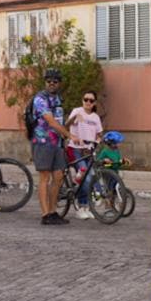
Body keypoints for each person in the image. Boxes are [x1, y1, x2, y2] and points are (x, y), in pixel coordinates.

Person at [30, 69, 72, 225]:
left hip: (57, 143)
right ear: (45, 82)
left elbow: (60, 122)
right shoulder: (40, 99)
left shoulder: (58, 99)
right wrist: (69, 135)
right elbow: (51, 122)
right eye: (49, 81)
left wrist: (68, 130)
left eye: (55, 81)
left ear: (59, 83)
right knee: (44, 177)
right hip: (43, 142)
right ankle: (45, 213)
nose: (52, 84)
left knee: (58, 177)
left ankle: (54, 211)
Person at [66, 90, 105, 220]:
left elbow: (99, 134)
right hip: (76, 149)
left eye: (91, 100)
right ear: (82, 100)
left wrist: (97, 143)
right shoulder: (77, 111)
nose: (88, 102)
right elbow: (66, 126)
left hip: (89, 151)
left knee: (92, 176)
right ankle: (81, 206)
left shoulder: (95, 117)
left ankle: (88, 207)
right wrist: (74, 118)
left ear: (94, 103)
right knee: (86, 178)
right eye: (85, 99)